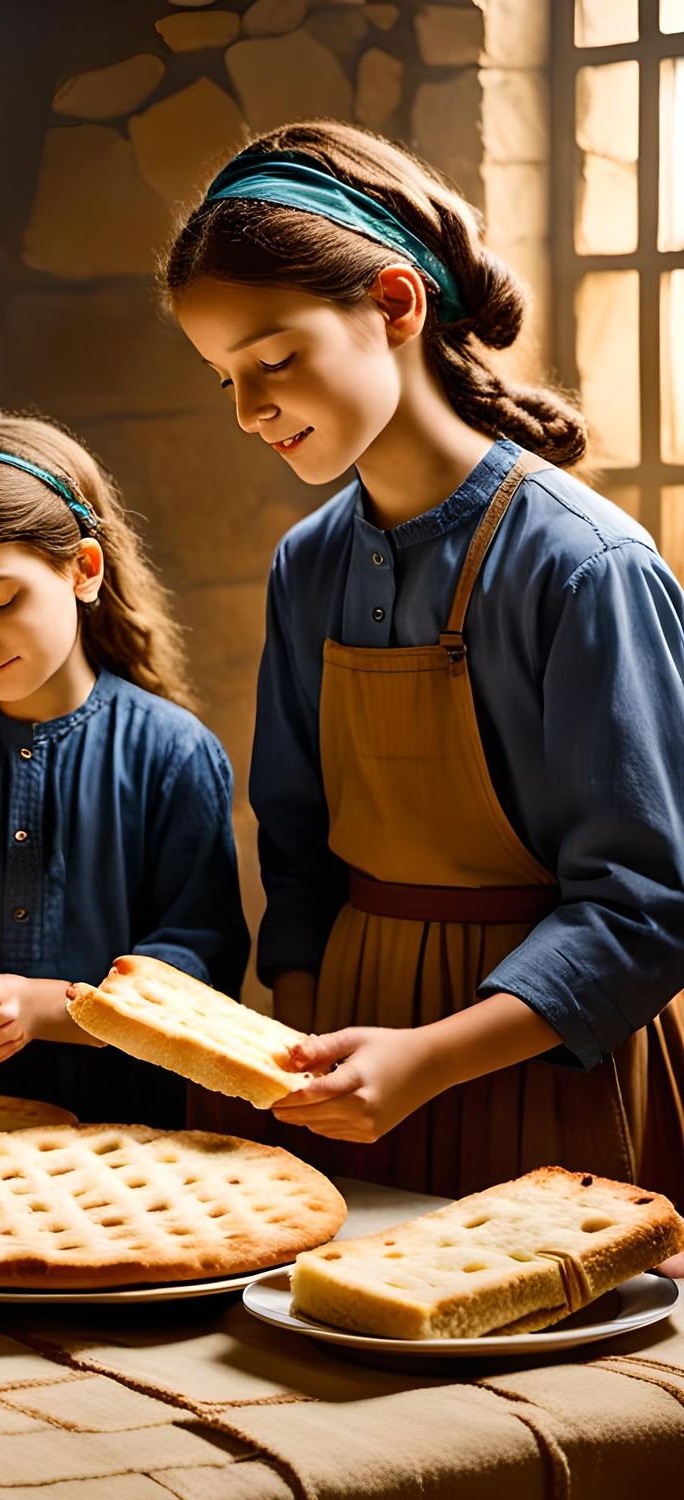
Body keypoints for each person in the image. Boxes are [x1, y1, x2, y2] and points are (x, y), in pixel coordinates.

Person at [166, 121, 684, 1205]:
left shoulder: (585, 566)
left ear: (394, 307)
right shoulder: (304, 567)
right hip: (348, 1061)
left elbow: (644, 908)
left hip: (541, 1064)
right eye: (225, 379)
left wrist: (429, 1058)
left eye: (274, 359)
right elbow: (299, 854)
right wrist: (303, 1041)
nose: (253, 409)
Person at [0, 413, 250, 1123]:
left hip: (129, 1138)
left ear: (83, 570)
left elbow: (196, 970)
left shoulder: (175, 754)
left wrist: (47, 1006)